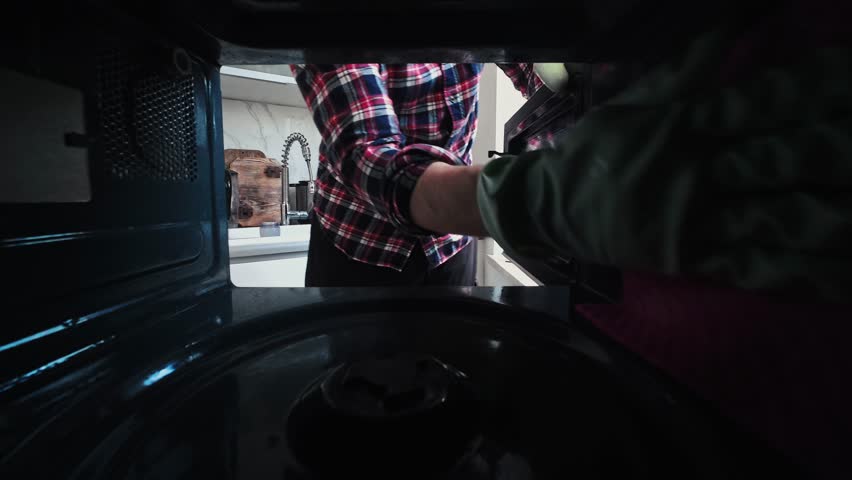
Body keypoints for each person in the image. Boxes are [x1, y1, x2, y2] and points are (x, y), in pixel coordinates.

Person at [291, 64, 541, 287]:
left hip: (452, 247)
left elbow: (535, 69)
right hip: (359, 245)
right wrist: (528, 202)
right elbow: (367, 154)